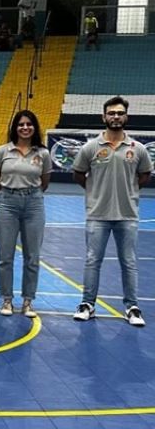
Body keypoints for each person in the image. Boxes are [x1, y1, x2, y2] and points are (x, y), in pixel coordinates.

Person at [72, 96, 152, 326]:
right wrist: (95, 190)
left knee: (129, 262)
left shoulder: (137, 149)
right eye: (111, 113)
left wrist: (129, 190)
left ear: (126, 116)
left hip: (127, 215)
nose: (115, 117)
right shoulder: (90, 147)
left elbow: (144, 175)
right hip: (97, 215)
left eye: (119, 113)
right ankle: (87, 304)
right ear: (103, 116)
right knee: (92, 261)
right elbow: (78, 174)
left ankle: (132, 307)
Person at [0, 110, 51, 318]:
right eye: (21, 124)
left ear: (35, 128)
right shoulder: (3, 151)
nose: (25, 128)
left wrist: (28, 194)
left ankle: (28, 301)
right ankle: (6, 299)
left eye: (29, 124)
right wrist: (9, 196)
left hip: (34, 204)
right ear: (14, 128)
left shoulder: (43, 154)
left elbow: (44, 182)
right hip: (7, 203)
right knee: (5, 255)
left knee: (32, 256)